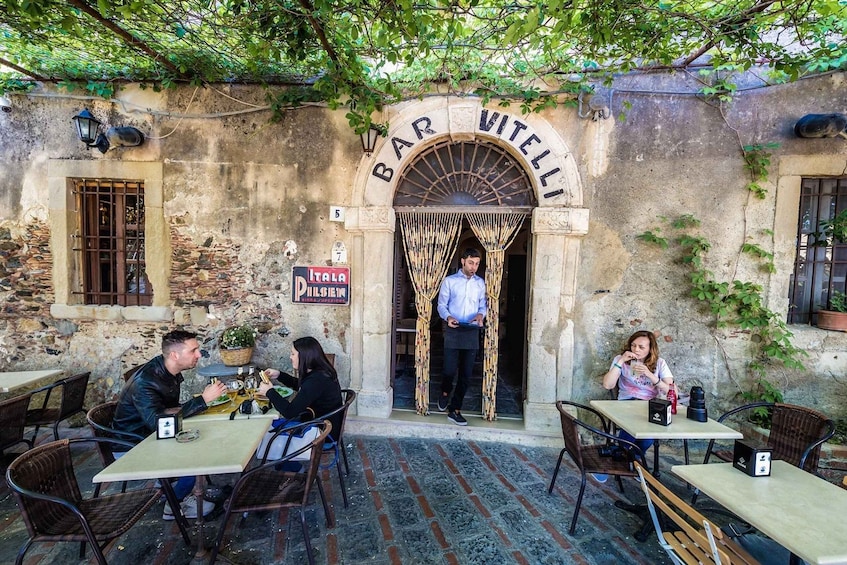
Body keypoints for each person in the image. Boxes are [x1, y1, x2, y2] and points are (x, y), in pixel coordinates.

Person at [113, 329, 227, 520]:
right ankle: (174, 503)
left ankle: (175, 487)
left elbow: (169, 410)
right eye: (193, 351)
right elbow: (159, 424)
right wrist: (202, 401)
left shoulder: (168, 370)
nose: (199, 355)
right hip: (132, 444)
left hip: (148, 434)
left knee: (207, 436)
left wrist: (202, 404)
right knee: (196, 453)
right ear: (175, 355)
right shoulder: (146, 382)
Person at [594, 330, 675, 483]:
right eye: (633, 345)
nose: (636, 350)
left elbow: (670, 390)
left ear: (650, 349)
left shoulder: (659, 363)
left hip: (648, 405)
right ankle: (635, 463)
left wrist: (650, 375)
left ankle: (622, 459)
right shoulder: (621, 359)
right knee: (632, 425)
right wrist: (621, 361)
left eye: (641, 347)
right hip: (627, 402)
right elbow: (607, 385)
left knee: (649, 434)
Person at [436, 247, 487, 426]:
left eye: (477, 264)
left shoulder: (480, 283)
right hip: (453, 329)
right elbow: (441, 305)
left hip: (471, 331)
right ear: (463, 261)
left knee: (466, 375)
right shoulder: (449, 282)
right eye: (471, 263)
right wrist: (448, 317)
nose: (474, 267)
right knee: (449, 370)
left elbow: (483, 306)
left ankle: (455, 410)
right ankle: (444, 392)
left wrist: (481, 315)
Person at [258, 336, 343, 442]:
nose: (290, 357)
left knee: (264, 431)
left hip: (321, 434)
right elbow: (303, 387)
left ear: (304, 356)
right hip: (320, 423)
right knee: (270, 425)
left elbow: (290, 412)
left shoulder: (316, 380)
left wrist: (269, 392)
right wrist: (279, 375)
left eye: (293, 354)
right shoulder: (320, 372)